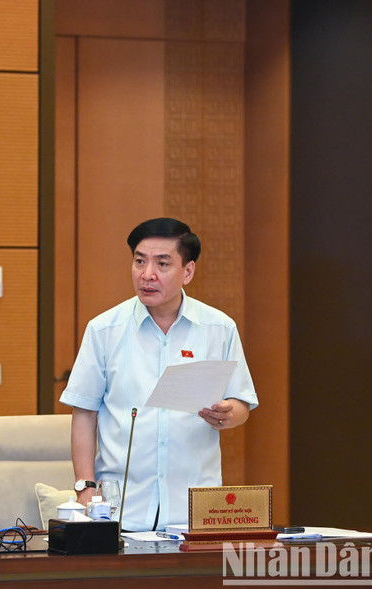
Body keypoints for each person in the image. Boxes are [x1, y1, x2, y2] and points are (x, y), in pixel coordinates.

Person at [59, 217, 259, 531]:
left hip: (194, 507)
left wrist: (227, 414)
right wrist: (84, 486)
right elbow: (84, 411)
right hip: (121, 508)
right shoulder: (104, 330)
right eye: (139, 261)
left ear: (188, 271)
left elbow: (242, 405)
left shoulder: (219, 328)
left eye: (162, 264)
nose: (147, 274)